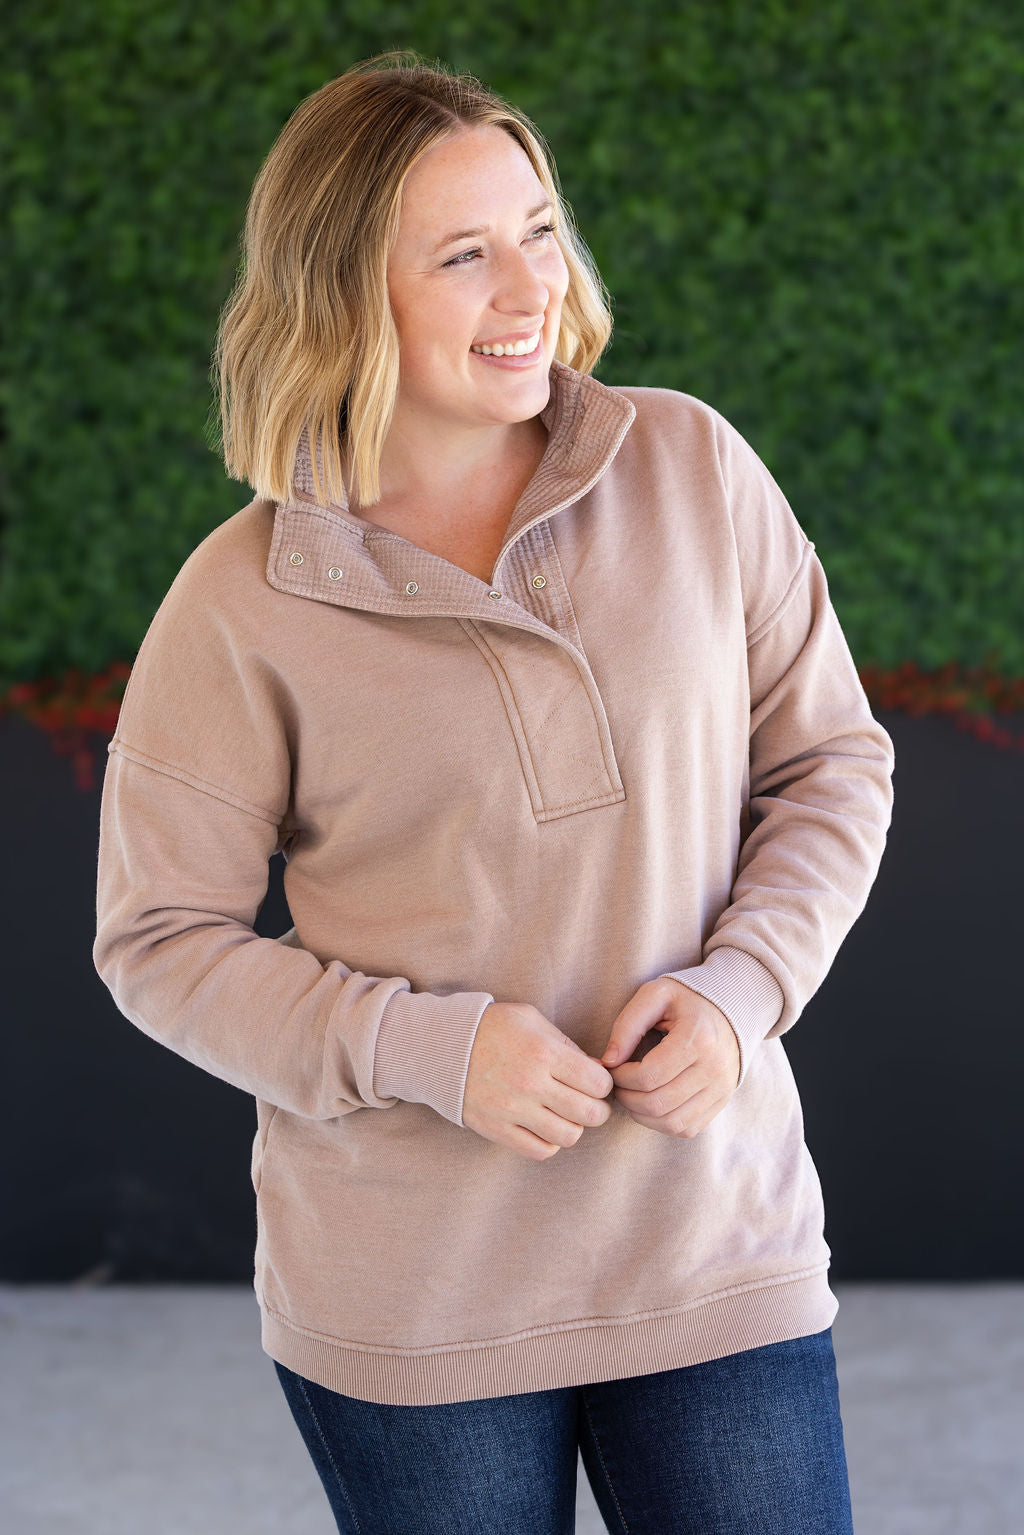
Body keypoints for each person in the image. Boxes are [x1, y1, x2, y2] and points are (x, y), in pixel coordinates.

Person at [93, 48, 895, 1535]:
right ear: (344, 296)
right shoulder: (240, 601)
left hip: (713, 1250)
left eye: (537, 229)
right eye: (464, 255)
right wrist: (425, 1050)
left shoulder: (693, 468)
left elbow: (830, 764)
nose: (532, 286)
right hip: (412, 1307)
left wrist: (741, 993)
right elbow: (160, 941)